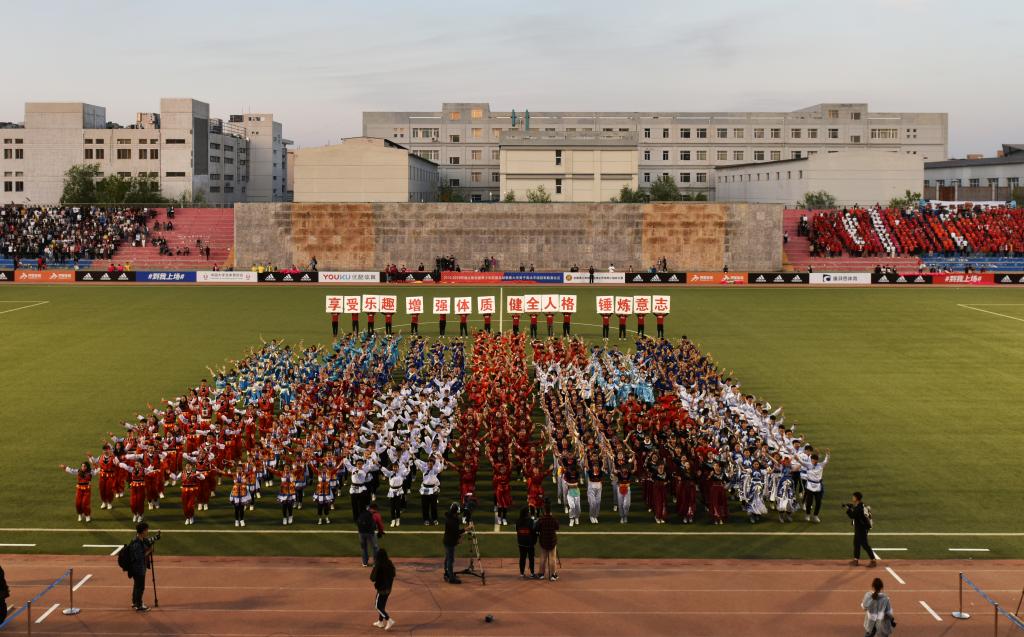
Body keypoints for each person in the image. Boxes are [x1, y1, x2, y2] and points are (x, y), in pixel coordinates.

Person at [126, 521, 153, 611]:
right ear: (143, 531)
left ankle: (135, 602)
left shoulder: (140, 539)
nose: (147, 532)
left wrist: (154, 539)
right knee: (140, 587)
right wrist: (149, 551)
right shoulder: (137, 543)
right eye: (146, 530)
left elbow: (147, 541)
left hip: (138, 568)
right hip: (138, 568)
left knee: (137, 585)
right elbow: (139, 557)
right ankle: (139, 605)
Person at [846, 492, 877, 567]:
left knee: (865, 545)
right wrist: (851, 507)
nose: (852, 498)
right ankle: (856, 560)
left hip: (862, 528)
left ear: (856, 498)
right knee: (856, 543)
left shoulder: (859, 508)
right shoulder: (860, 506)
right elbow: (856, 512)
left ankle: (873, 560)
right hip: (859, 528)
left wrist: (848, 509)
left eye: (853, 497)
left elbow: (853, 515)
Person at [800, 448, 830, 523]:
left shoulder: (820, 465)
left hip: (818, 486)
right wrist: (796, 457)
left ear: (817, 460)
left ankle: (816, 515)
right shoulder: (808, 465)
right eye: (812, 460)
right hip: (809, 485)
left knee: (818, 502)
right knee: (809, 502)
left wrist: (827, 454)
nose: (813, 461)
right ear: (811, 460)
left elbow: (826, 461)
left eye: (815, 460)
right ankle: (807, 514)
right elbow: (801, 462)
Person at [370, 548, 396, 631]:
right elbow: (393, 574)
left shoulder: (378, 565)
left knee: (377, 606)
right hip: (389, 588)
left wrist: (374, 568)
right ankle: (380, 622)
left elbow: (372, 578)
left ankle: (388, 620)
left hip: (381, 589)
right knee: (382, 606)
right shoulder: (389, 563)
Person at [442, 503, 464, 584]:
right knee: (450, 560)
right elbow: (456, 532)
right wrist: (466, 529)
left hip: (447, 541)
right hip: (450, 542)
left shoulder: (449, 517)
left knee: (447, 558)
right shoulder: (452, 521)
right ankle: (451, 578)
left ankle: (447, 573)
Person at [357, 503, 384, 567]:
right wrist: (380, 532)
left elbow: (358, 521)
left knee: (364, 547)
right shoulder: (376, 514)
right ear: (375, 509)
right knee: (375, 547)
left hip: (361, 533)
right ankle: (375, 563)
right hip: (370, 533)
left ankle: (364, 562)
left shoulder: (363, 513)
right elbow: (380, 524)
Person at [537, 503, 559, 581]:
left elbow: (537, 528)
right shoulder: (553, 519)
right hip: (552, 541)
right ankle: (553, 575)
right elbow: (557, 527)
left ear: (544, 510)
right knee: (552, 558)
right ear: (550, 511)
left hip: (543, 540)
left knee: (543, 557)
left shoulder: (541, 519)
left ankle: (541, 574)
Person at [515, 507, 538, 578]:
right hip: (530, 543)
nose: (529, 513)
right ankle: (532, 573)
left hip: (521, 543)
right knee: (531, 558)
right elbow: (534, 531)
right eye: (528, 512)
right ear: (526, 513)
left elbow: (517, 530)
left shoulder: (518, 521)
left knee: (522, 558)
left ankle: (522, 573)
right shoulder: (531, 521)